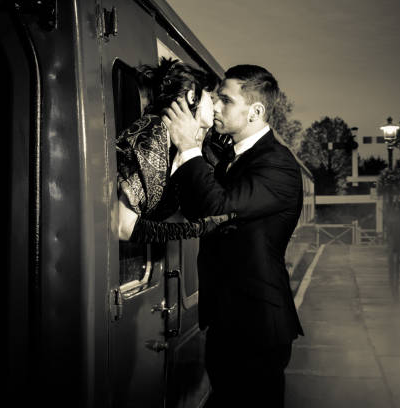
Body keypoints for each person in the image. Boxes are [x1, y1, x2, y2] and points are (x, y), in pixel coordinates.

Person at [164, 65, 304, 407]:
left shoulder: (277, 164)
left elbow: (218, 207)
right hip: (230, 318)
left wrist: (188, 146)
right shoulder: (235, 159)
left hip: (256, 326)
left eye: (225, 100)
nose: (216, 106)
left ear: (255, 111)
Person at [116, 58, 234, 243]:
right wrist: (198, 229)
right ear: (192, 96)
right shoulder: (155, 132)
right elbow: (122, 226)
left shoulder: (184, 146)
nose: (217, 107)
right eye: (211, 98)